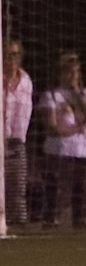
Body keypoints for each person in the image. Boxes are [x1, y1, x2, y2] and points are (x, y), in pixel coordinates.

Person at [38, 51, 86, 229]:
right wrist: (78, 127)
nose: (73, 76)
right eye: (69, 71)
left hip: (82, 153)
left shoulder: (85, 94)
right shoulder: (51, 95)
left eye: (76, 71)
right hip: (59, 154)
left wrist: (77, 96)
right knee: (56, 201)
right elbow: (53, 128)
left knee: (82, 205)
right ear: (60, 73)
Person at [4, 39, 34, 227]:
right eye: (8, 55)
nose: (12, 58)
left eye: (15, 54)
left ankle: (18, 224)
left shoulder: (25, 80)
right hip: (1, 140)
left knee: (18, 187)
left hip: (17, 141)